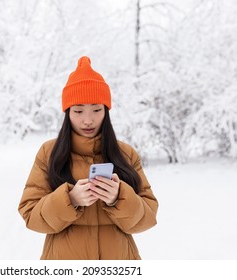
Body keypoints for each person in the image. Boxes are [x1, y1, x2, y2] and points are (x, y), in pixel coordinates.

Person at [18, 56, 158, 260]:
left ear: (106, 111)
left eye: (96, 109)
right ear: (67, 112)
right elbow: (31, 215)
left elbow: (148, 217)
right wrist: (70, 199)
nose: (88, 119)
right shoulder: (49, 153)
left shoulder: (126, 154)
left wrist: (118, 198)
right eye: (78, 110)